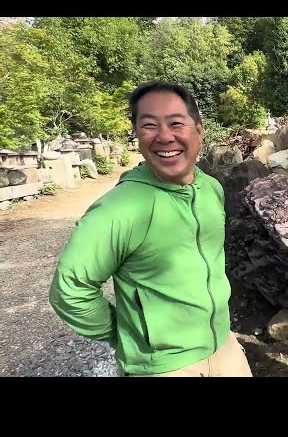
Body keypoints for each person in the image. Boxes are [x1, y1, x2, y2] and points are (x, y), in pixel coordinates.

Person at [49, 81, 252, 377]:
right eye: (149, 126)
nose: (165, 137)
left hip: (223, 344)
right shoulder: (120, 209)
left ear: (199, 130)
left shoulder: (211, 189)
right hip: (163, 366)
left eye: (176, 123)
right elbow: (70, 289)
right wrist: (122, 335)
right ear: (137, 134)